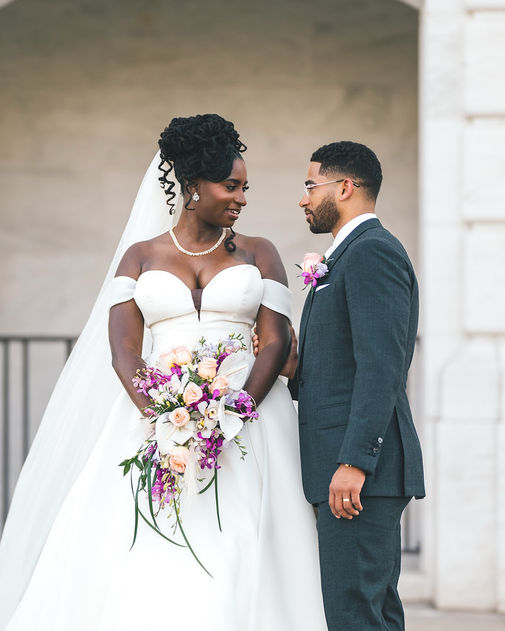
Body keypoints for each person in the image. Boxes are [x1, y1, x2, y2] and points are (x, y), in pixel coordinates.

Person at [0, 114, 327, 630]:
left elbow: (277, 340)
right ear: (193, 187)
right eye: (231, 186)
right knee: (141, 549)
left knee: (241, 547)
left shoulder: (260, 252)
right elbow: (124, 351)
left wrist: (235, 408)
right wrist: (162, 417)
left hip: (252, 422)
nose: (242, 198)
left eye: (245, 187)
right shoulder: (140, 256)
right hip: (156, 423)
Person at [289, 141, 425, 631]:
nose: (303, 199)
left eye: (310, 186)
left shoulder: (371, 253)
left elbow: (382, 366)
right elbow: (344, 362)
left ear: (345, 187)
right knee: (369, 611)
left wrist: (354, 462)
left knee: (354, 615)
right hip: (349, 468)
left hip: (359, 473)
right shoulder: (350, 254)